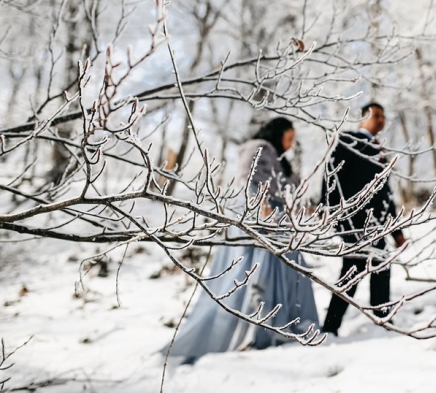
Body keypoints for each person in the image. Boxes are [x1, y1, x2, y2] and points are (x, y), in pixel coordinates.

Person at [165, 117, 319, 363]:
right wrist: (262, 208)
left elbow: (290, 192)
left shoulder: (280, 161)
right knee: (259, 277)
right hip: (261, 222)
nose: (290, 144)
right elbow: (248, 179)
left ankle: (280, 327)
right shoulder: (258, 147)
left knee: (287, 275)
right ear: (278, 134)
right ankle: (257, 332)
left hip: (279, 226)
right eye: (288, 138)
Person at [321, 102, 407, 336]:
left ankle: (376, 320)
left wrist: (396, 231)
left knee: (377, 264)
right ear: (365, 117)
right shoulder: (349, 141)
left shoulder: (379, 150)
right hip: (353, 221)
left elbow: (384, 193)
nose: (382, 120)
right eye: (377, 115)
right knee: (354, 270)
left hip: (376, 223)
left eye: (383, 116)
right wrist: (329, 211)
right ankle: (333, 327)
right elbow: (331, 174)